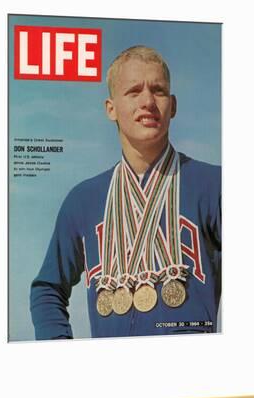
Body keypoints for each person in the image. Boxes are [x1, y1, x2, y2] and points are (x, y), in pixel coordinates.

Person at [30, 46, 221, 339]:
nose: (148, 101)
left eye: (158, 90)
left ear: (173, 104)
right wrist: (60, 354)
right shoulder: (82, 200)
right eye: (134, 91)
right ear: (111, 108)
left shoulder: (214, 184)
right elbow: (47, 289)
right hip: (110, 377)